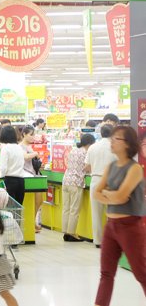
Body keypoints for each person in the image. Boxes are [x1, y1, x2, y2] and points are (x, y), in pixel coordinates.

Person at [93, 126, 146, 306]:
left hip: (130, 227)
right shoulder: (111, 166)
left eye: (117, 139)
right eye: (112, 138)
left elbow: (121, 197)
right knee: (106, 273)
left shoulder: (135, 168)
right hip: (111, 226)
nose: (112, 142)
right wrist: (112, 195)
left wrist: (107, 193)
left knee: (141, 272)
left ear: (127, 144)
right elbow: (96, 193)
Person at [85, 124, 116, 247]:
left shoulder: (92, 147)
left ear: (101, 133)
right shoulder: (114, 146)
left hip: (96, 180)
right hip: (111, 181)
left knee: (96, 213)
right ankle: (112, 241)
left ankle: (98, 241)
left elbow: (87, 166)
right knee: (112, 212)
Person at [62, 133, 95, 242]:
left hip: (66, 180)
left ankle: (66, 232)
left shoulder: (73, 150)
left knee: (66, 208)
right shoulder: (86, 153)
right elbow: (87, 168)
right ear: (89, 144)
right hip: (76, 182)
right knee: (74, 209)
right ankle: (72, 233)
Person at [20, 125, 44, 231]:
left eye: (34, 134)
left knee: (39, 200)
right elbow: (25, 157)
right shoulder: (20, 146)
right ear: (24, 134)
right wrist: (35, 154)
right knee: (31, 202)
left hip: (34, 175)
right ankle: (30, 224)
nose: (33, 137)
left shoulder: (29, 147)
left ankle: (32, 221)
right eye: (31, 134)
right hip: (26, 177)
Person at [0, 125, 26, 206]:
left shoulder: (5, 148)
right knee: (18, 208)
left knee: (10, 208)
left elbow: (3, 168)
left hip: (10, 181)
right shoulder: (19, 148)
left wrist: (0, 177)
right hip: (21, 181)